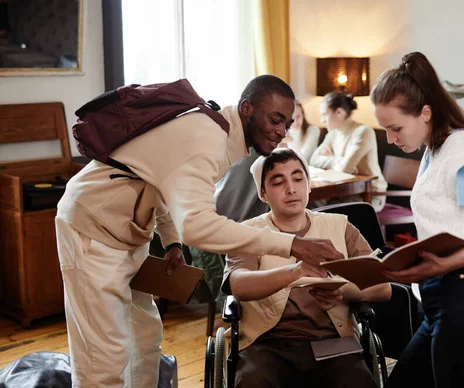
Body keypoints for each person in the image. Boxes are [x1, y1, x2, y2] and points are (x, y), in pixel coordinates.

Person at [55, 75, 343, 388]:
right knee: (104, 357)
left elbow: (161, 181)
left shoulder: (214, 133)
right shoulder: (206, 138)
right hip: (92, 227)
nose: (281, 132)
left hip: (129, 235)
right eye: (275, 119)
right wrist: (291, 245)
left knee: (144, 340)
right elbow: (198, 225)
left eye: (287, 124)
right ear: (247, 108)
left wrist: (171, 242)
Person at [370, 52, 464, 387]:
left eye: (396, 128)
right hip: (445, 301)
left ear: (425, 112)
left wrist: (440, 265)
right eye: (386, 130)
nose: (392, 139)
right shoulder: (435, 149)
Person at [222, 148, 391, 388]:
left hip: (332, 341)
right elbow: (238, 284)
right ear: (263, 193)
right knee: (252, 382)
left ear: (309, 184)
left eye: (298, 179)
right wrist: (295, 272)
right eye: (278, 182)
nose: (291, 189)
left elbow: (383, 287)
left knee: (357, 382)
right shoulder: (248, 233)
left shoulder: (340, 227)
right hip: (267, 344)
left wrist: (344, 292)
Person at [309, 92, 387, 211]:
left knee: (318, 210)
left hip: (368, 195)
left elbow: (345, 169)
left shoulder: (363, 132)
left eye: (324, 114)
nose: (322, 120)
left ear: (339, 112)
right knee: (306, 204)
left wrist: (339, 163)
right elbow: (314, 160)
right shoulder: (333, 133)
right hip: (342, 193)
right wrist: (339, 160)